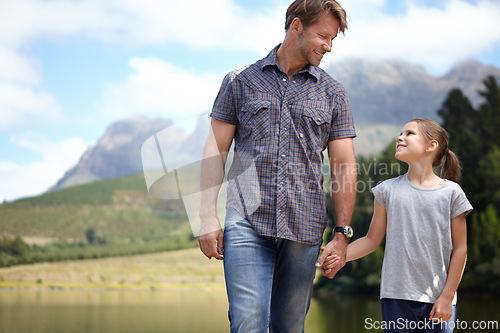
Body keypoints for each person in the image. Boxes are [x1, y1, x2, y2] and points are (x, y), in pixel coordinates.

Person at [198, 0, 357, 331]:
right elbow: (216, 149)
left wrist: (342, 234)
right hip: (246, 220)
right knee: (248, 321)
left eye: (333, 40)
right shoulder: (239, 80)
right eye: (323, 36)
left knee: (289, 326)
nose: (328, 47)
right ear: (296, 26)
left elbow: (344, 166)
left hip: (305, 227)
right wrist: (207, 214)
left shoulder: (334, 94)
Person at [318, 118, 473, 333]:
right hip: (395, 298)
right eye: (401, 133)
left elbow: (461, 249)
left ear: (431, 145)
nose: (400, 137)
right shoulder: (386, 190)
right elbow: (371, 240)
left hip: (439, 300)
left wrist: (447, 296)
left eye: (409, 133)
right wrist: (339, 256)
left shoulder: (452, 193)